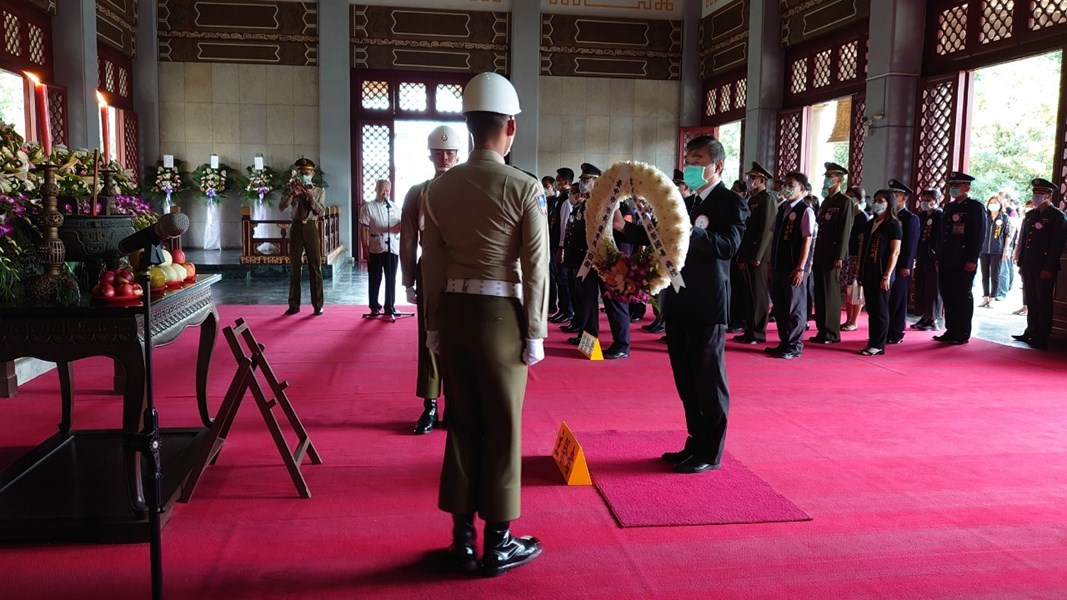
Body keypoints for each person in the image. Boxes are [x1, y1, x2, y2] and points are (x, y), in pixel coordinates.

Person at [420, 72, 547, 577]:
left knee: (462, 424)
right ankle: (499, 541)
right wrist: (535, 331)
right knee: (503, 426)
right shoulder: (524, 187)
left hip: (452, 314)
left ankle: (461, 540)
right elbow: (536, 268)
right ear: (509, 126)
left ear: (469, 128)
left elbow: (431, 262)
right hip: (501, 318)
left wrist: (432, 324)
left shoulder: (439, 187)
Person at [621, 135, 747, 472]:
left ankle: (711, 452)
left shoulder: (729, 202)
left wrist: (693, 232)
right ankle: (695, 442)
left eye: (699, 159)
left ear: (717, 165)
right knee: (686, 379)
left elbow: (729, 246)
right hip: (678, 299)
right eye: (689, 158)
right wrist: (625, 229)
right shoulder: (684, 201)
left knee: (708, 379)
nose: (691, 165)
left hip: (707, 303)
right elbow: (660, 233)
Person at [401, 125, 461, 435]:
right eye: (438, 152)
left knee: (459, 339)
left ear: (458, 154)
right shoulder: (417, 192)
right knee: (428, 337)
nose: (444, 157)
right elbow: (409, 238)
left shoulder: (468, 189)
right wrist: (408, 281)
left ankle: (454, 403)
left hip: (462, 272)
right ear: (429, 155)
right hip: (429, 271)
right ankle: (430, 405)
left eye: (449, 152)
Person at [569, 163, 632, 359]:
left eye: (586, 180)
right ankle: (589, 341)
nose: (583, 184)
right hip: (586, 261)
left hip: (609, 261)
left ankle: (622, 345)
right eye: (582, 180)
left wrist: (619, 263)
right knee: (587, 303)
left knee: (614, 302)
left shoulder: (617, 204)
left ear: (599, 182)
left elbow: (624, 236)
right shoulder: (587, 204)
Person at [934, 172, 988, 345]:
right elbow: (943, 235)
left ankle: (962, 332)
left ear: (967, 187)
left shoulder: (975, 207)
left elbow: (978, 236)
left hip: (964, 260)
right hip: (946, 259)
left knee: (962, 296)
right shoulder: (949, 208)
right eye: (952, 185)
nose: (954, 188)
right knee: (948, 295)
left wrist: (972, 259)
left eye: (957, 185)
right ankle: (951, 329)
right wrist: (938, 257)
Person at [1012, 178, 1067, 349]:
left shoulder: (1056, 216)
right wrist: (1021, 263)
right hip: (1029, 264)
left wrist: (1049, 267)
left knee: (1044, 301)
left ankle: (1042, 335)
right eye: (1035, 193)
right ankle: (1030, 330)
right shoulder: (1031, 214)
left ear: (1049, 195)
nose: (1037, 196)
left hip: (1044, 266)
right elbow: (1024, 240)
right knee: (1031, 300)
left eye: (1040, 193)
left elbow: (1056, 244)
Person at [766, 172, 815, 359]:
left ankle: (794, 345)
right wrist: (771, 262)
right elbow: (775, 238)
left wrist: (801, 267)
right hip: (779, 265)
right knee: (780, 306)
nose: (786, 188)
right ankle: (784, 341)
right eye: (785, 184)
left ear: (801, 189)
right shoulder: (782, 209)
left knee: (794, 307)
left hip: (794, 266)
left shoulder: (805, 210)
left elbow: (807, 240)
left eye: (791, 185)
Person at [810, 162, 855, 344]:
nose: (827, 179)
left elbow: (845, 230)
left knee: (830, 293)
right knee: (820, 292)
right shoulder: (827, 201)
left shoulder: (845, 202)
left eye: (831, 177)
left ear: (839, 180)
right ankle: (822, 329)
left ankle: (831, 332)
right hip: (821, 251)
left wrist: (840, 255)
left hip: (833, 253)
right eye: (826, 176)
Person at [733, 162, 777, 344]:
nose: (749, 181)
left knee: (759, 295)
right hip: (748, 252)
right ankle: (749, 329)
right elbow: (746, 230)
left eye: (753, 178)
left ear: (761, 180)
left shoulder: (767, 199)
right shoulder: (752, 200)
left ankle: (759, 332)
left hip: (759, 256)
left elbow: (766, 230)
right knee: (748, 294)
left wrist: (758, 256)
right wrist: (742, 255)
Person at [857, 190, 902, 356]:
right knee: (872, 311)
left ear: (888, 203)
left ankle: (879, 344)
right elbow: (864, 249)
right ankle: (872, 341)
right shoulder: (870, 223)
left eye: (881, 200)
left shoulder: (893, 225)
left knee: (881, 310)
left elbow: (894, 252)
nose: (877, 203)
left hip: (883, 273)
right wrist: (859, 272)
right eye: (875, 200)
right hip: (868, 271)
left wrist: (887, 275)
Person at [280, 157, 326, 316]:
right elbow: (281, 207)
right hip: (296, 226)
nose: (303, 175)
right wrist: (292, 194)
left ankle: (318, 304)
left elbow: (321, 211)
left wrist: (311, 197)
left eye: (306, 173)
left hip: (311, 227)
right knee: (295, 266)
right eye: (301, 173)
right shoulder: (290, 188)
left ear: (312, 173)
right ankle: (294, 304)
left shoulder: (319, 190)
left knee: (315, 266)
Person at [359, 179, 401, 316]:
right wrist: (364, 248)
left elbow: (400, 224)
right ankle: (374, 306)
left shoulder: (394, 207)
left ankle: (390, 306)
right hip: (375, 246)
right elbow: (363, 228)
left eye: (387, 191)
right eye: (382, 190)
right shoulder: (368, 207)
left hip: (392, 247)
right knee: (375, 278)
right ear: (376, 190)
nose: (385, 193)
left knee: (391, 278)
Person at [886, 179, 919, 344]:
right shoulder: (887, 217)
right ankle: (886, 330)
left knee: (898, 299)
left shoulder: (910, 218)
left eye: (895, 195)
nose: (892, 198)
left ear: (903, 198)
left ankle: (896, 332)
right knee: (887, 299)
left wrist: (906, 265)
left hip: (900, 266)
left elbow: (911, 244)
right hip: (886, 264)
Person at [911, 189, 944, 331]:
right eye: (922, 199)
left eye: (927, 200)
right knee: (922, 286)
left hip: (933, 258)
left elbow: (940, 238)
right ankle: (924, 315)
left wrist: (936, 255)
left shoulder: (940, 216)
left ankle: (933, 318)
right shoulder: (921, 216)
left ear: (935, 201)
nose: (924, 203)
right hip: (921, 256)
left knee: (933, 288)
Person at [841, 186, 870, 331]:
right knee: (847, 290)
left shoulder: (863, 218)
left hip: (856, 257)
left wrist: (859, 262)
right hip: (846, 256)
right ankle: (847, 319)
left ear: (859, 199)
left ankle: (854, 320)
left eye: (851, 196)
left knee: (856, 290)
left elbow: (862, 242)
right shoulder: (848, 215)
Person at [549, 168, 575, 324]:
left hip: (561, 246)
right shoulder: (559, 199)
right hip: (554, 244)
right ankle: (563, 309)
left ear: (565, 182)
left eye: (558, 181)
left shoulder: (566, 199)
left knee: (564, 280)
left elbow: (565, 226)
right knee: (559, 279)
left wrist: (561, 248)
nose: (557, 183)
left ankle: (568, 311)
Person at [979, 196, 1012, 308]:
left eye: (995, 202)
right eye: (991, 202)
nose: (993, 204)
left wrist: (1006, 249)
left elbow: (1008, 234)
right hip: (984, 250)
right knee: (984, 275)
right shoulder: (985, 216)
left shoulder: (1004, 217)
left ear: (1000, 204)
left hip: (997, 250)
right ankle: (985, 297)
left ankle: (993, 298)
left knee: (995, 275)